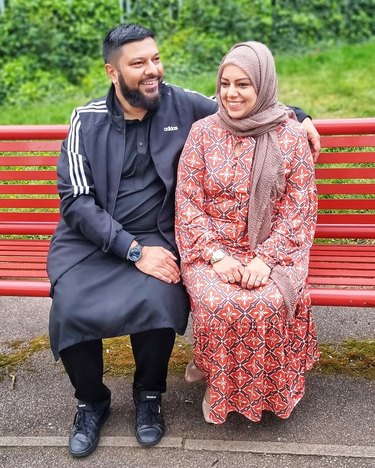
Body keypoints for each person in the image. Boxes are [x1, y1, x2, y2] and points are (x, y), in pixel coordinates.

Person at [47, 23, 320, 458]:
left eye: (155, 59)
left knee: (160, 296)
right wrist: (131, 250)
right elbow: (76, 202)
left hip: (158, 235)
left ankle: (149, 396)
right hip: (92, 241)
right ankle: (91, 401)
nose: (152, 70)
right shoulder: (86, 120)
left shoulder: (179, 103)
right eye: (138, 64)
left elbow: (244, 99)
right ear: (112, 72)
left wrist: (300, 116)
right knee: (71, 305)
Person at [175, 41, 319, 425]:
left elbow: (298, 209)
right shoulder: (203, 133)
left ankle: (263, 389)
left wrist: (265, 260)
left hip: (274, 248)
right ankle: (221, 383)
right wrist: (216, 256)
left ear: (264, 87)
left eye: (243, 85)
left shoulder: (290, 137)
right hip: (211, 250)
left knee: (268, 300)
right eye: (225, 83)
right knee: (222, 302)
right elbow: (188, 202)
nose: (231, 93)